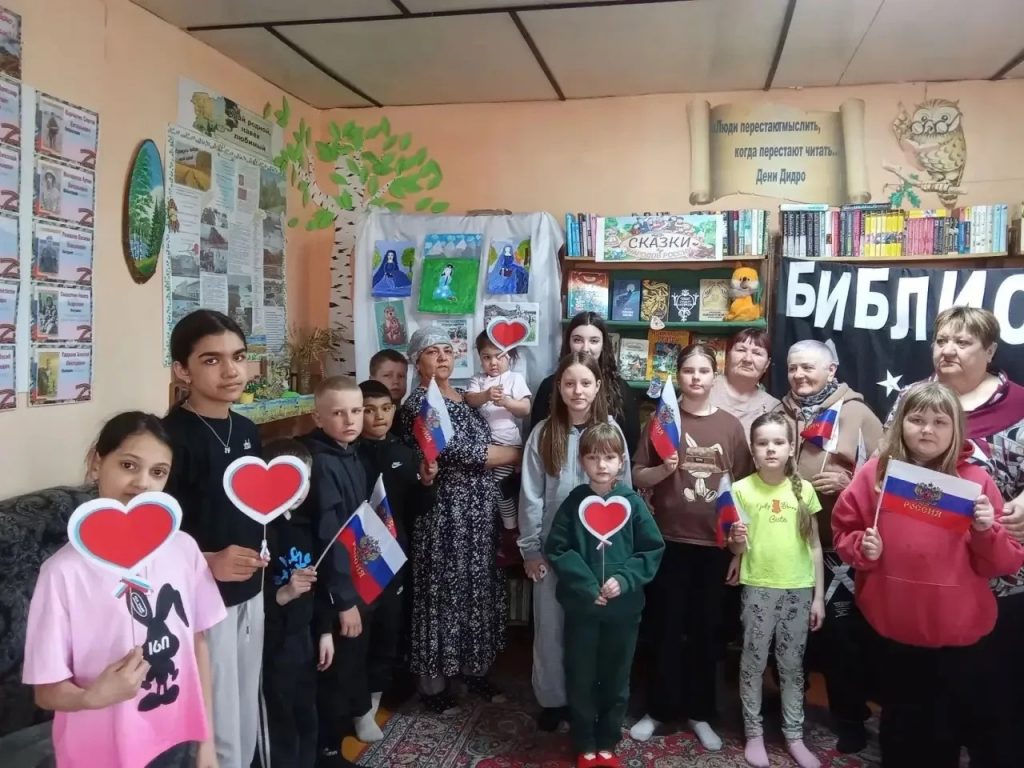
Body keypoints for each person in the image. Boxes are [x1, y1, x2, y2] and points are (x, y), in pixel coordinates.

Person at [833, 381, 1024, 768]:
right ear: (901, 423)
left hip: (957, 634)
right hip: (892, 629)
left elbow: (1005, 563)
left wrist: (985, 530)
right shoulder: (875, 474)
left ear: (956, 429)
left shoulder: (976, 482)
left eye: (940, 422)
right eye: (917, 420)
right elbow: (844, 532)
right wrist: (862, 549)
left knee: (946, 727)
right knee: (901, 728)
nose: (927, 430)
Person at [23, 411, 225, 768]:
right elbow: (46, 690)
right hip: (99, 751)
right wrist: (91, 697)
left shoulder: (184, 549)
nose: (142, 483)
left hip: (176, 741)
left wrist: (206, 743)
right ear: (96, 463)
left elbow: (198, 644)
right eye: (128, 465)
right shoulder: (62, 572)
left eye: (158, 472)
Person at [883, 306, 1024, 762]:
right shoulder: (912, 399)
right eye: (942, 340)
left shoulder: (1020, 405)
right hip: (919, 582)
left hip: (997, 583)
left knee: (994, 704)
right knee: (917, 704)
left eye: (962, 342)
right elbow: (884, 465)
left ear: (990, 351)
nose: (948, 350)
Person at [630, 343, 753, 749]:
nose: (696, 378)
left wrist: (738, 550)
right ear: (678, 376)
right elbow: (637, 475)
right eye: (688, 371)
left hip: (714, 547)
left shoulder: (730, 427)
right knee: (664, 629)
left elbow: (744, 490)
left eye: (703, 371)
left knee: (706, 632)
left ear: (714, 376)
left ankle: (700, 713)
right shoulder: (662, 421)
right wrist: (662, 470)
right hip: (668, 543)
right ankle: (658, 709)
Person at [397, 326, 520, 713]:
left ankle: (473, 672)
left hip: (479, 515)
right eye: (431, 351)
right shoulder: (419, 404)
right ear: (416, 361)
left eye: (447, 350)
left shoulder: (466, 396)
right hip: (443, 516)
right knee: (441, 596)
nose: (442, 357)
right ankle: (433, 688)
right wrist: (521, 453)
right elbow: (464, 452)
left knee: (477, 592)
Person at [163, 309, 267, 768]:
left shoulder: (246, 430)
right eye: (211, 360)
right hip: (199, 602)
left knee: (246, 706)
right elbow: (154, 538)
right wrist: (207, 561)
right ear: (182, 370)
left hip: (251, 592)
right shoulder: (168, 439)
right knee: (216, 716)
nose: (231, 371)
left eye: (238, 357)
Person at [774, 339, 883, 753]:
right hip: (785, 542)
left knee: (842, 639)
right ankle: (789, 711)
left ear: (831, 370)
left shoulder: (856, 413)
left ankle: (850, 717)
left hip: (837, 548)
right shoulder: (779, 412)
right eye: (793, 368)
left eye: (808, 367)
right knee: (786, 632)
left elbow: (889, 477)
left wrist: (850, 482)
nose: (799, 375)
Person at [519, 352, 631, 732]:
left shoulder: (610, 433)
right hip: (553, 550)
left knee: (592, 631)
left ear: (598, 386)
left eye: (585, 383)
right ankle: (554, 701)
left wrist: (619, 554)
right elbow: (531, 495)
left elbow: (624, 494)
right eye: (569, 383)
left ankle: (591, 699)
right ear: (559, 388)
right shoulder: (544, 433)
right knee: (551, 628)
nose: (577, 391)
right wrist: (531, 549)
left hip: (599, 552)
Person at [545, 423, 664, 768]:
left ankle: (608, 741)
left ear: (621, 461)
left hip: (623, 611)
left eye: (609, 457)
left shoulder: (633, 503)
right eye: (593, 457)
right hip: (583, 610)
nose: (601, 465)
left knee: (616, 676)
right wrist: (586, 585)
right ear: (582, 461)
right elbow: (558, 548)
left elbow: (651, 549)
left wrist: (624, 580)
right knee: (581, 674)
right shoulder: (574, 503)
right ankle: (585, 742)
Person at [726, 412, 825, 768]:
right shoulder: (741, 490)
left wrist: (818, 597)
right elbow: (737, 548)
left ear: (790, 447)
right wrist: (736, 541)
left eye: (778, 442)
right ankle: (753, 732)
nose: (771, 449)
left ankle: (794, 735)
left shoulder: (804, 490)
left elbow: (815, 546)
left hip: (798, 589)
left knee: (792, 666)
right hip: (758, 588)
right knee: (753, 661)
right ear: (753, 450)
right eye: (763, 443)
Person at [352, 379, 433, 738]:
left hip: (394, 557)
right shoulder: (349, 452)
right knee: (357, 636)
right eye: (368, 410)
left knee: (387, 632)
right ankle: (353, 705)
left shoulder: (404, 451)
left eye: (385, 408)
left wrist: (427, 484)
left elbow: (417, 509)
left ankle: (371, 705)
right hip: (355, 558)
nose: (378, 417)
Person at [301, 376, 369, 768]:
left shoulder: (351, 453)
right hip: (332, 590)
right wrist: (343, 601)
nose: (350, 420)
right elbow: (329, 538)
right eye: (339, 413)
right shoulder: (323, 463)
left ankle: (335, 743)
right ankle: (326, 752)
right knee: (333, 675)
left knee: (349, 669)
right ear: (318, 417)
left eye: (356, 411)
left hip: (354, 579)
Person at [261, 438, 335, 768]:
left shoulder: (306, 525)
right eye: (290, 478)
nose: (299, 488)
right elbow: (248, 600)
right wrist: (285, 593)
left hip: (303, 637)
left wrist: (324, 631)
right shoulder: (260, 532)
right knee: (281, 720)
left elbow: (320, 586)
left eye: (304, 479)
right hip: (272, 644)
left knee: (307, 713)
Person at [530, 312, 640, 456]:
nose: (585, 348)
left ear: (603, 345)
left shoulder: (621, 389)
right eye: (578, 340)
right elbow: (537, 443)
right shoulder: (548, 386)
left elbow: (630, 447)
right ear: (568, 343)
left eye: (594, 341)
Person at [465, 332, 532, 561]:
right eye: (486, 357)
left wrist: (507, 402)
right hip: (482, 444)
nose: (493, 362)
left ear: (509, 356)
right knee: (486, 492)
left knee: (501, 488)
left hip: (507, 443)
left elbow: (525, 409)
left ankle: (510, 530)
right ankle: (495, 533)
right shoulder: (478, 380)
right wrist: (485, 395)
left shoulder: (515, 378)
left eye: (499, 356)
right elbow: (470, 399)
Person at [709, 328, 780, 440]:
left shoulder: (773, 407)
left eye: (757, 353)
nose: (748, 359)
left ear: (767, 364)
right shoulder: (704, 388)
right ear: (727, 355)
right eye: (741, 350)